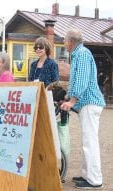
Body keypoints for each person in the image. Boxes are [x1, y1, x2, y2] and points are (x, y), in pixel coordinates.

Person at [60, 29, 105, 189]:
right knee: (87, 140)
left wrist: (71, 101)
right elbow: (75, 82)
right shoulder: (79, 54)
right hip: (87, 103)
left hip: (90, 103)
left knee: (90, 141)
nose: (64, 43)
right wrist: (67, 98)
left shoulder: (82, 54)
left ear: (71, 41)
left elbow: (81, 81)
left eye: (65, 40)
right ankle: (87, 175)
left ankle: (94, 180)